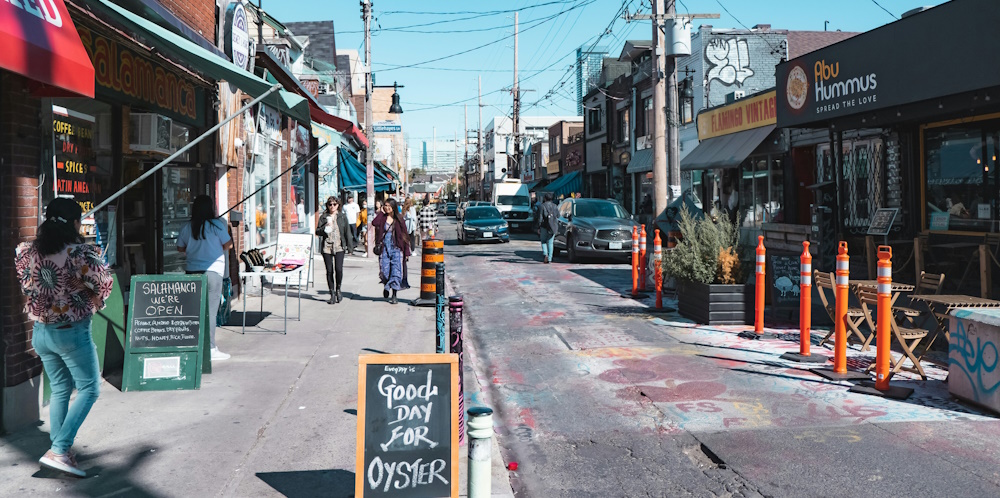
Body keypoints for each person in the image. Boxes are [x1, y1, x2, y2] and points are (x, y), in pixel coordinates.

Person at [15, 198, 113, 477]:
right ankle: (59, 449)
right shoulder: (80, 252)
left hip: (41, 333)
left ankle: (62, 452)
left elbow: (26, 285)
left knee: (59, 389)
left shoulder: (27, 251)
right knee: (90, 389)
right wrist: (93, 300)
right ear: (74, 223)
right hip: (71, 332)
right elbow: (103, 284)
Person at [176, 195, 233, 361]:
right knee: (210, 312)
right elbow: (228, 244)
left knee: (194, 312)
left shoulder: (188, 227)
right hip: (213, 273)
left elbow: (180, 248)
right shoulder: (216, 225)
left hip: (192, 272)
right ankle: (210, 348)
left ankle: (193, 345)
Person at [316, 196, 356, 304]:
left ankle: (338, 289)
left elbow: (347, 232)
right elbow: (317, 231)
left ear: (338, 205)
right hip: (327, 247)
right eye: (330, 204)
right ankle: (332, 293)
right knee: (329, 271)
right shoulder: (323, 217)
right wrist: (324, 228)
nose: (332, 206)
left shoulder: (342, 217)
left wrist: (350, 247)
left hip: (339, 246)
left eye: (334, 204)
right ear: (327, 205)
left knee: (338, 269)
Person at [373, 198, 411, 304]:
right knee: (385, 271)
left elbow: (405, 236)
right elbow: (374, 223)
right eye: (385, 205)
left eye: (389, 205)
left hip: (397, 248)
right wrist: (381, 212)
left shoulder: (399, 219)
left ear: (393, 207)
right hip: (385, 247)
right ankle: (386, 284)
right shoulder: (382, 218)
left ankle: (394, 295)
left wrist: (407, 252)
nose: (387, 207)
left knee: (396, 271)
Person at [538, 192, 560, 264]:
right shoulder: (555, 206)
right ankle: (550, 258)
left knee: (543, 241)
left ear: (545, 198)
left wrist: (539, 226)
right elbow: (558, 216)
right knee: (550, 242)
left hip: (544, 226)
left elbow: (540, 218)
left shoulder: (542, 206)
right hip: (553, 226)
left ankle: (545, 254)